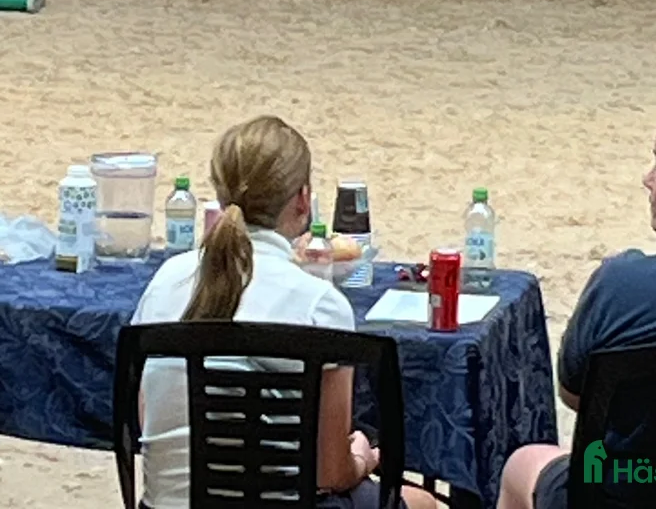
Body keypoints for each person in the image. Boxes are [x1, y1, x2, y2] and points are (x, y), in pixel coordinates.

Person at [131, 115, 436, 509]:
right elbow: (329, 472)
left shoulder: (165, 281)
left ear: (220, 196)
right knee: (423, 502)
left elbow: (148, 421)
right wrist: (363, 457)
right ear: (303, 200)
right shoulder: (318, 303)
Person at [498, 97, 656, 509]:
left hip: (633, 495)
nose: (647, 179)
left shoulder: (625, 284)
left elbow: (576, 396)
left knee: (524, 464)